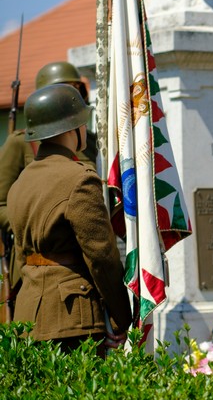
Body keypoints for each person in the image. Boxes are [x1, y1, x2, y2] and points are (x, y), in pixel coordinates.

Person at [8, 84, 131, 353]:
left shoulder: (20, 183)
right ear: (70, 128)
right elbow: (102, 257)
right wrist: (122, 318)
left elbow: (21, 256)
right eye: (82, 122)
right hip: (73, 319)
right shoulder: (79, 179)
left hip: (27, 317)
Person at [0, 61, 97, 319]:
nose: (69, 96)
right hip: (39, 258)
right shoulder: (20, 143)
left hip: (87, 254)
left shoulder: (92, 142)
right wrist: (34, 225)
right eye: (62, 88)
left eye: (75, 89)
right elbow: (1, 203)